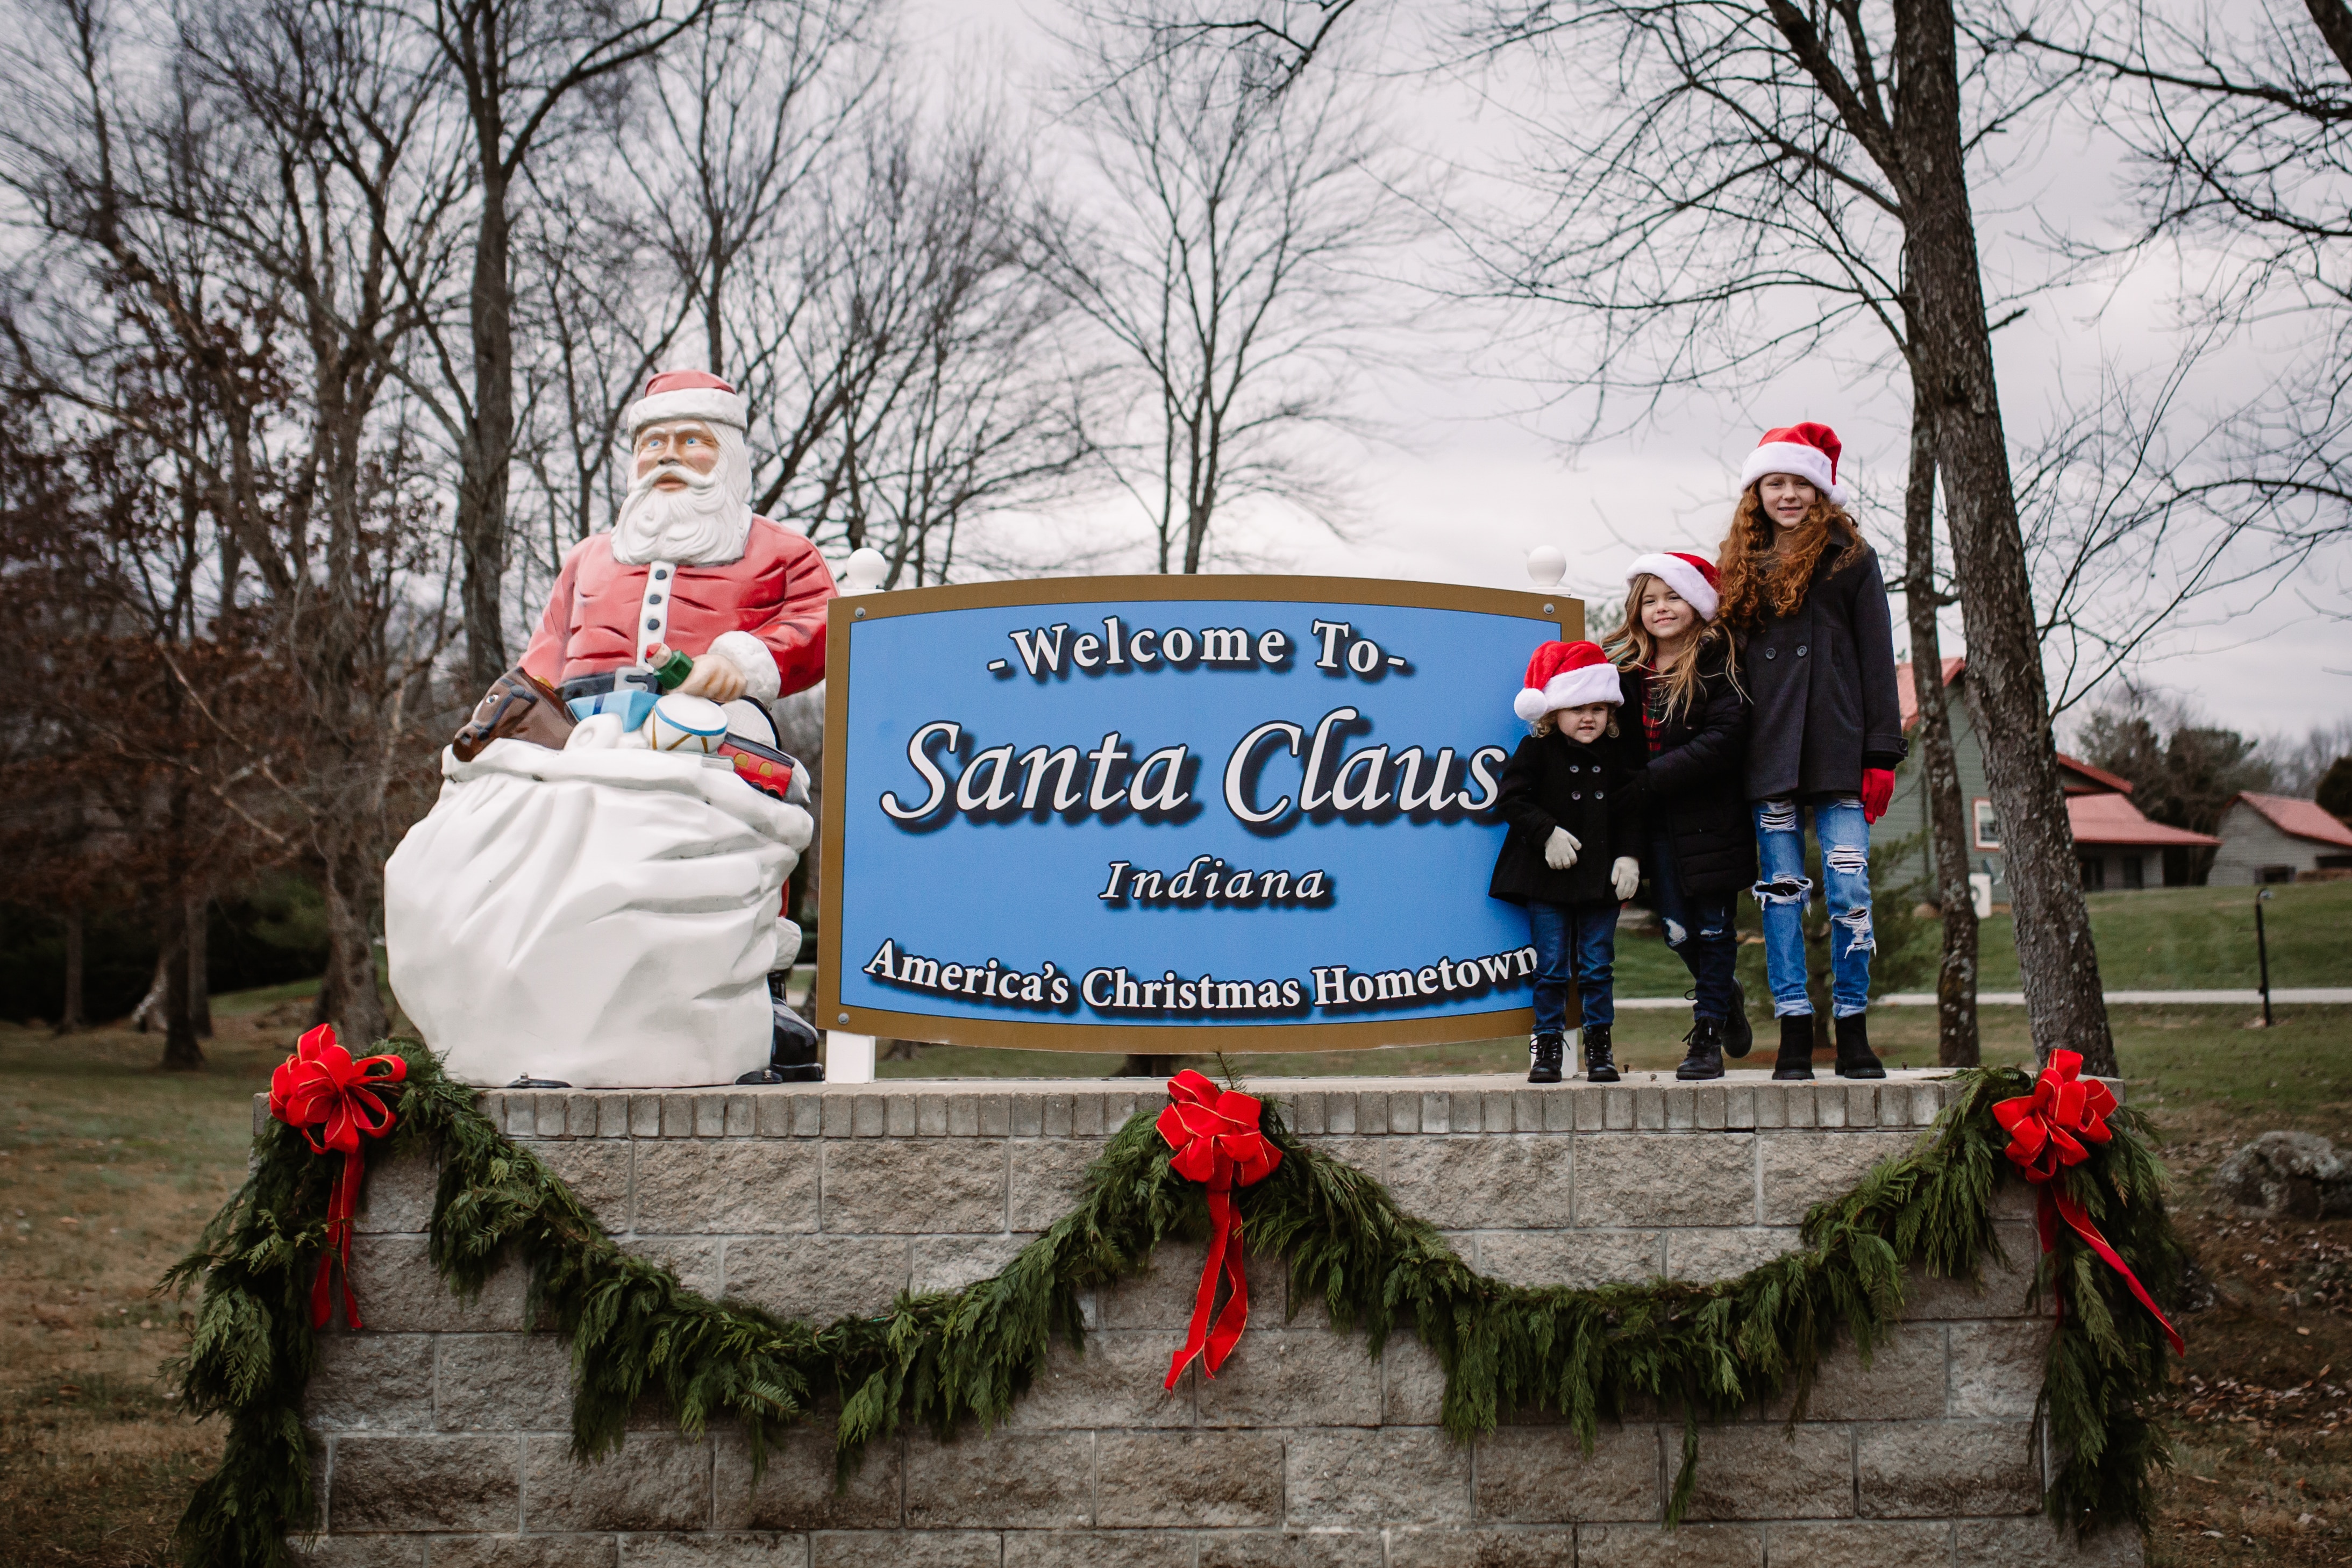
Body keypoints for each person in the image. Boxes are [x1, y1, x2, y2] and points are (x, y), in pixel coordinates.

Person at [518, 367, 838, 1084]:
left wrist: (744, 656)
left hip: (714, 722)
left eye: (690, 440)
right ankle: (565, 1004)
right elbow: (544, 654)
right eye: (653, 442)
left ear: (726, 452)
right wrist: (512, 716)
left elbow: (823, 623)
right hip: (586, 727)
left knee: (744, 836)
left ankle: (750, 996)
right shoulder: (589, 559)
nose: (668, 455)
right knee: (566, 854)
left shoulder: (778, 550)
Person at [1713, 423, 1905, 1080]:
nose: (1788, 495)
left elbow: (1879, 659)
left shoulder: (1851, 557)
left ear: (1820, 490)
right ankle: (1795, 1023)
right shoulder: (1738, 563)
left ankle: (1852, 1023)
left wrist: (1882, 752)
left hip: (1838, 749)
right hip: (1768, 754)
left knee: (1850, 884)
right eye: (1775, 483)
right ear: (1756, 490)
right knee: (1782, 894)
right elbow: (1725, 665)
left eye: (1800, 483)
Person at [1607, 551, 1755, 1081]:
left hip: (1710, 819)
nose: (1661, 608)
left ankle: (1708, 1034)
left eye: (1672, 596)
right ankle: (1727, 993)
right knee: (1675, 931)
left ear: (1695, 601)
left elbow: (1725, 740)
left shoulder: (1720, 661)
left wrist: (1649, 780)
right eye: (1650, 600)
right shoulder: (1625, 671)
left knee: (1714, 929)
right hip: (1653, 827)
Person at [1491, 641, 1645, 1084]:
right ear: (1553, 711)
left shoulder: (1619, 758)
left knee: (1598, 965)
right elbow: (1512, 800)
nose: (1588, 717)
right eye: (1577, 707)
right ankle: (1547, 1048)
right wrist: (1546, 832)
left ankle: (1600, 1047)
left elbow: (1634, 809)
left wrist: (1630, 857)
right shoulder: (1537, 752)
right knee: (1552, 967)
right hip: (1548, 880)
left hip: (1600, 881)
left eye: (1598, 707)